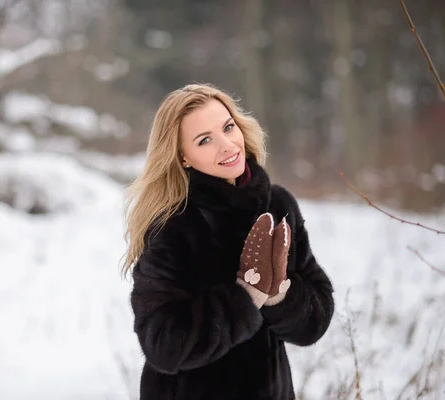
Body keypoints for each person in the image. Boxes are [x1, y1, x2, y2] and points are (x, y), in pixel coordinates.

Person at [122, 83, 334, 400]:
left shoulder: (278, 206)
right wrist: (244, 298)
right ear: (183, 157)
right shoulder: (174, 226)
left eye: (228, 127)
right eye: (204, 140)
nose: (226, 145)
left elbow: (315, 321)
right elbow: (163, 345)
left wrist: (278, 295)